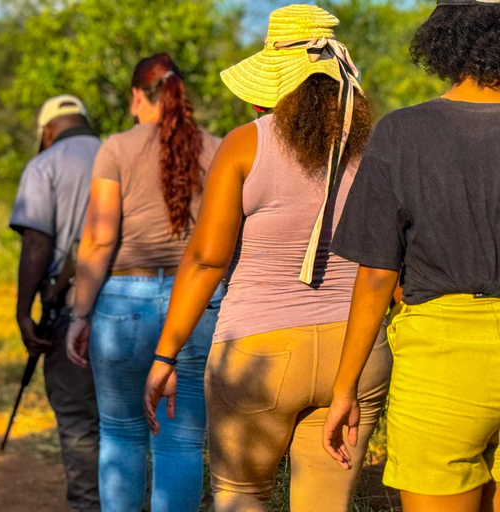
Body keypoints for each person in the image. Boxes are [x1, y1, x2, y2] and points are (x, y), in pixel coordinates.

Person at [142, 5, 392, 512]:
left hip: (259, 351)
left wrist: (166, 355)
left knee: (241, 496)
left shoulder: (244, 145)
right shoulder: (378, 148)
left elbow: (207, 261)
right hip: (358, 349)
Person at [324, 2, 500, 511]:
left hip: (442, 367)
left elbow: (377, 278)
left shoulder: (403, 133)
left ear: (448, 37)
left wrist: (344, 389)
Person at [65, 53, 224, 512]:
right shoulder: (214, 148)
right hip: (195, 304)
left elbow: (99, 238)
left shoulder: (115, 148)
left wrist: (80, 314)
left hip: (123, 307)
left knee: (120, 432)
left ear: (138, 96)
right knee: (181, 442)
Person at [10, 94, 101, 512]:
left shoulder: (44, 165)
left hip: (69, 309)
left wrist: (24, 310)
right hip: (133, 304)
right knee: (127, 423)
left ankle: (88, 505)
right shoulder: (116, 152)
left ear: (47, 131)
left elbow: (36, 242)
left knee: (79, 421)